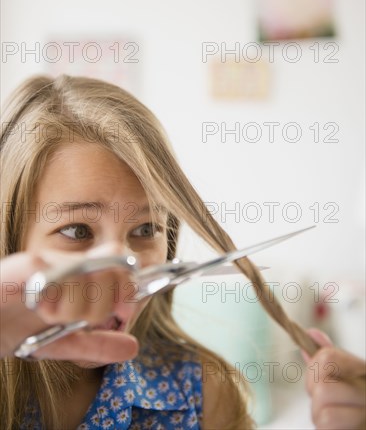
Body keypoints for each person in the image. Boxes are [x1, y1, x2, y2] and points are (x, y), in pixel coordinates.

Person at [0, 74, 364, 429]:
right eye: (78, 231)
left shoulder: (205, 393)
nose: (124, 268)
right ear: (10, 239)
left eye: (145, 230)